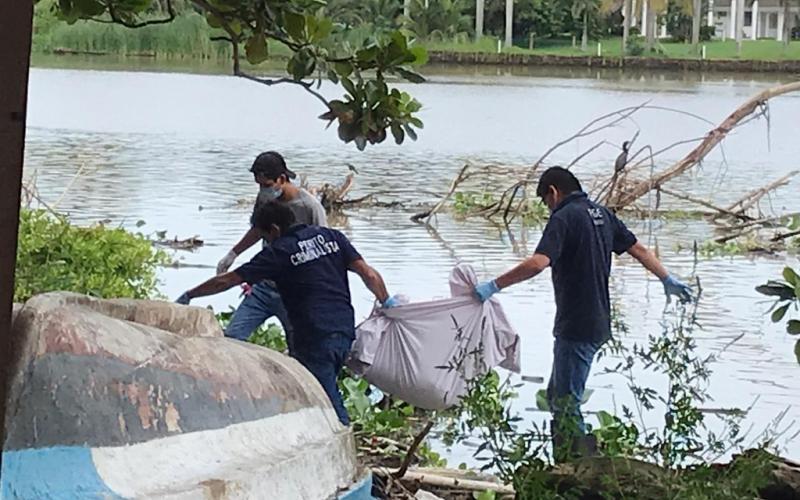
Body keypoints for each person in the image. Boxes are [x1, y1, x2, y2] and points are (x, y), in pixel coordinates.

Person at [473, 166, 692, 461]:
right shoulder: (602, 214)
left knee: (565, 403)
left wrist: (493, 285)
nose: (548, 208)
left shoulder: (563, 217)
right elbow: (638, 249)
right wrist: (667, 278)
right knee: (557, 397)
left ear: (553, 192)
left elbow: (539, 263)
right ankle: (568, 466)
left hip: (577, 323)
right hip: (598, 319)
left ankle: (580, 469)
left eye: (545, 201)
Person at [176, 202, 398, 426]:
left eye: (265, 236)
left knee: (327, 405)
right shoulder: (331, 237)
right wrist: (387, 301)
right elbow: (368, 274)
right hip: (345, 331)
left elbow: (227, 280)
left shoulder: (278, 252)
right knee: (313, 395)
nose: (267, 241)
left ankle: (343, 443)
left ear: (274, 230)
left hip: (315, 335)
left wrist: (190, 294)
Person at [216, 151, 328, 349]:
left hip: (295, 293)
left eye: (267, 185)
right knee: (232, 338)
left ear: (282, 179)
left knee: (300, 349)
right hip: (264, 287)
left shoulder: (310, 207)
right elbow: (259, 229)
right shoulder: (265, 199)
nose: (263, 190)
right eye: (259, 185)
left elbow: (323, 249)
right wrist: (233, 254)